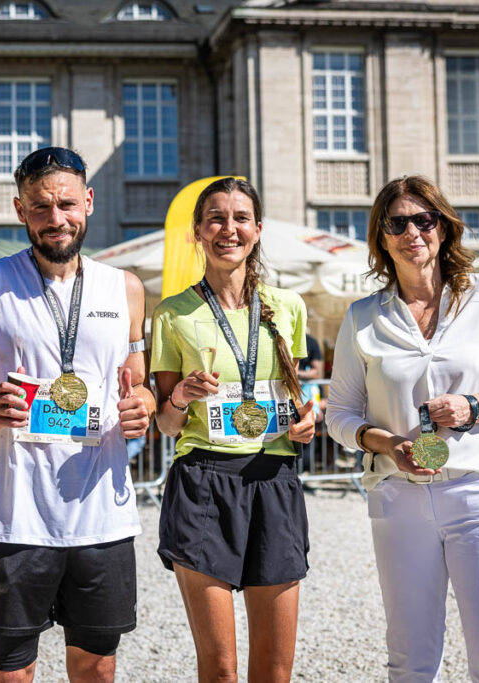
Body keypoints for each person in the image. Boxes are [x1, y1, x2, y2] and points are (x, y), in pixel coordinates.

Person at [0, 146, 154, 682]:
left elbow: (140, 383)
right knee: (12, 671)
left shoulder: (125, 288)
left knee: (96, 669)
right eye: (40, 207)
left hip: (102, 515)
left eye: (67, 204)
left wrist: (142, 407)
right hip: (17, 517)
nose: (56, 218)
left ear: (88, 202)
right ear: (20, 209)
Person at [326, 175, 479, 682]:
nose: (413, 232)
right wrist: (386, 442)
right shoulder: (362, 316)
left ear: (443, 227)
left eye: (424, 220)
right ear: (382, 238)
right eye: (397, 223)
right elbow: (338, 413)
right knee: (410, 663)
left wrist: (477, 405)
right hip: (399, 497)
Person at [150, 177, 316, 683]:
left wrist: (307, 422)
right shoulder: (172, 313)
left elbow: (294, 401)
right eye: (216, 219)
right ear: (197, 232)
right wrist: (181, 397)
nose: (229, 229)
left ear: (257, 229)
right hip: (203, 481)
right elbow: (166, 424)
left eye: (241, 218)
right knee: (220, 669)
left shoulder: (287, 306)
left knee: (275, 670)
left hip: (275, 479)